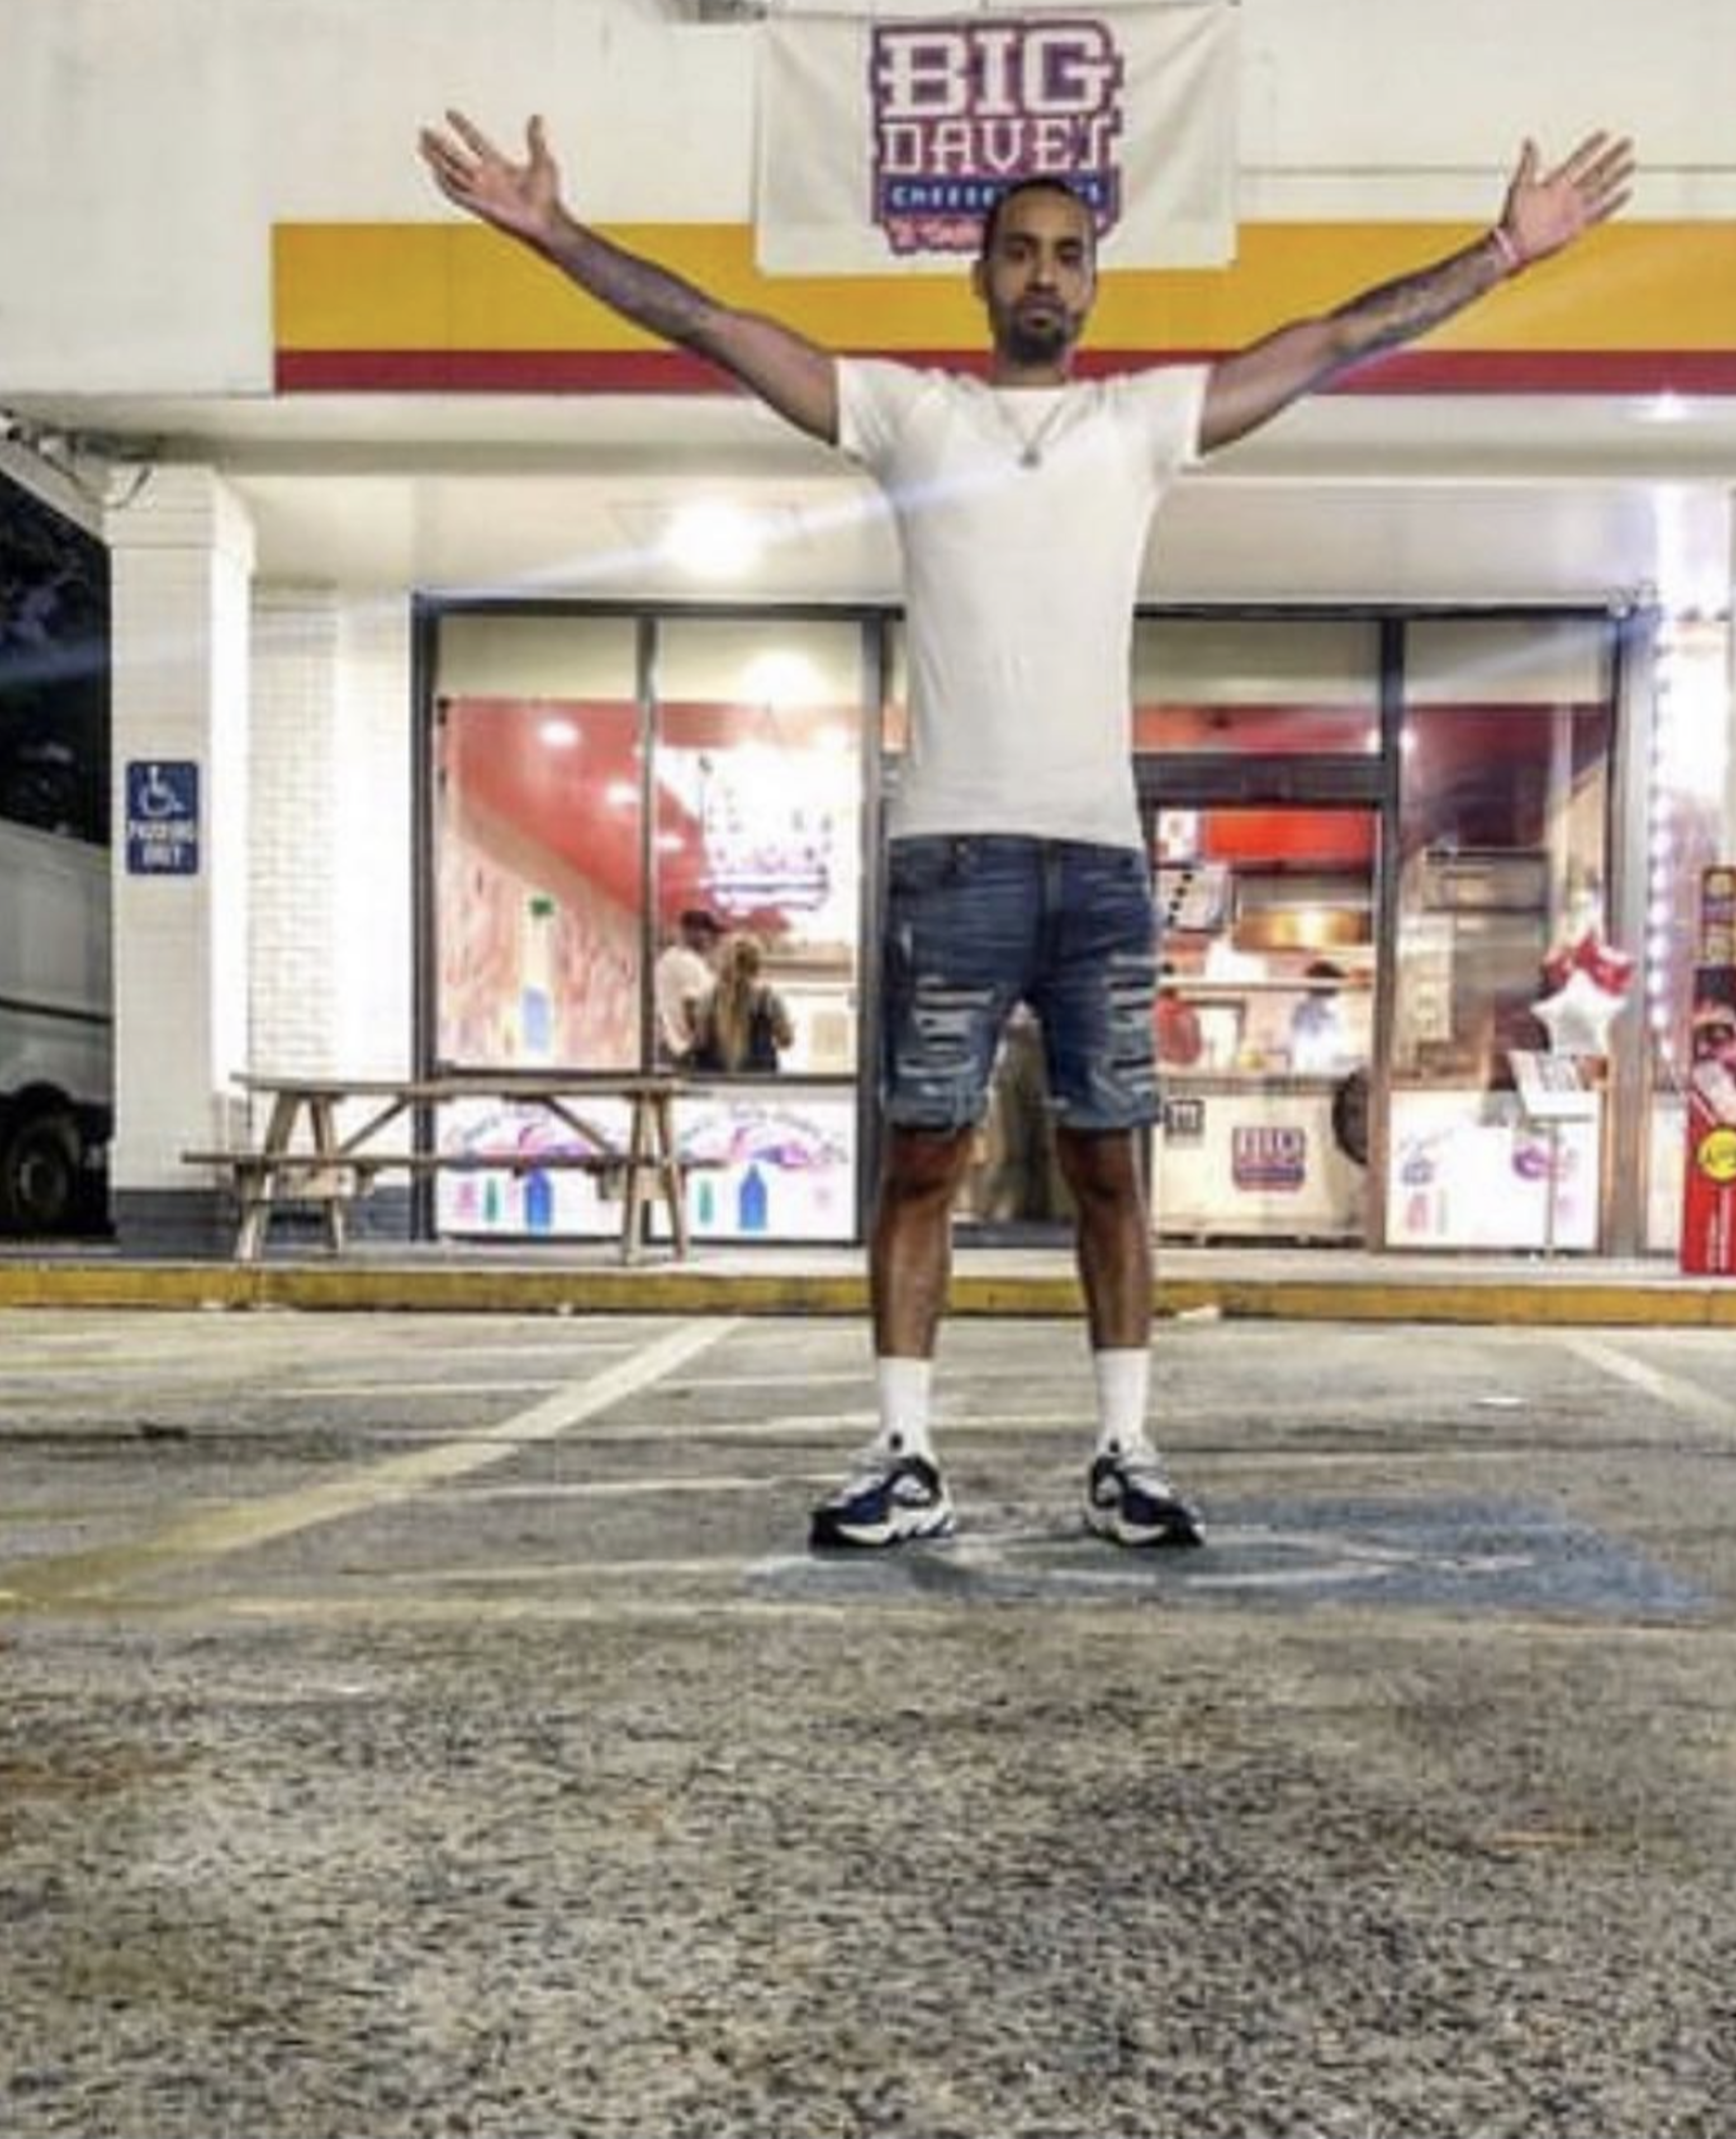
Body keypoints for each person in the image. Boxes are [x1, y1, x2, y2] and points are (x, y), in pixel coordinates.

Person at [418, 108, 1634, 1551]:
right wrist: (557, 237)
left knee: (1111, 1161)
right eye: (1019, 254)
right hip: (955, 856)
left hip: (1104, 869)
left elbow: (1321, 343)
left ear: (1093, 284)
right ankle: (904, 1454)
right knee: (923, 1156)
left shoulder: (1140, 425)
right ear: (982, 279)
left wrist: (1501, 252)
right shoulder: (913, 416)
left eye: (1068, 255)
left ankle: (1127, 1451)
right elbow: (721, 330)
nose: (1043, 276)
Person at [690, 931, 795, 1073]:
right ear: (757, 964)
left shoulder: (708, 998)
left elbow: (700, 1043)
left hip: (716, 1087)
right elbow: (786, 1041)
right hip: (760, 1087)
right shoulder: (769, 998)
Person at [653, 906, 719, 1068]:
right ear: (691, 932)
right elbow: (692, 1007)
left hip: (671, 1047)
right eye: (709, 932)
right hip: (685, 1052)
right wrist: (703, 1047)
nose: (714, 939)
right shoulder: (688, 962)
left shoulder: (668, 958)